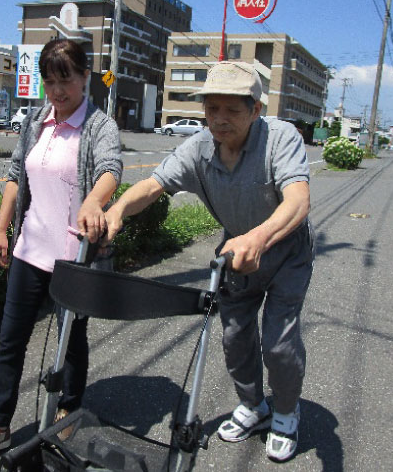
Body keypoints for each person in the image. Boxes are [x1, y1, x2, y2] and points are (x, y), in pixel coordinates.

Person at [103, 61, 314, 462]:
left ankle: (286, 411)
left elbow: (299, 200)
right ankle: (254, 406)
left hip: (286, 252)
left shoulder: (280, 137)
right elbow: (153, 185)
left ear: (255, 109)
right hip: (236, 255)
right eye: (211, 109)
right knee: (235, 338)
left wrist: (258, 237)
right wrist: (118, 210)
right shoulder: (198, 147)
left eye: (232, 110)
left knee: (279, 343)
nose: (219, 120)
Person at [0, 39, 122, 461]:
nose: (57, 91)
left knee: (72, 342)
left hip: (72, 256)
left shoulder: (99, 126)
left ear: (85, 77)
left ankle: (69, 408)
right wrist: (0, 229)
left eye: (65, 79)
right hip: (30, 249)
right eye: (49, 82)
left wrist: (92, 201)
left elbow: (110, 170)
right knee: (11, 341)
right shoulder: (35, 121)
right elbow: (15, 175)